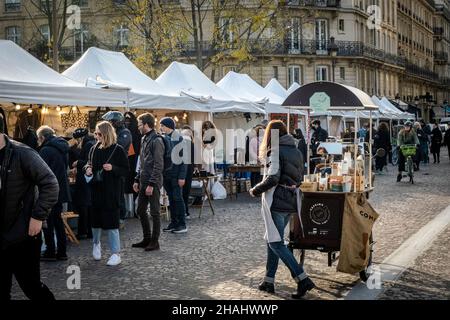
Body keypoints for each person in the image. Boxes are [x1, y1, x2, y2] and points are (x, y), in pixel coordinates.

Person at [249, 120, 316, 299]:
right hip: (290, 201)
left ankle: (302, 279)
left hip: (276, 202)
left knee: (275, 242)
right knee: (272, 239)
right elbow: (300, 177)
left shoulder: (275, 151)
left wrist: (255, 190)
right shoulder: (295, 150)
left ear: (271, 135)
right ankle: (268, 281)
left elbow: (272, 178)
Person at [0, 114, 58, 300]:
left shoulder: (22, 153)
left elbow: (50, 183)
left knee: (31, 287)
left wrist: (38, 217)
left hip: (22, 233)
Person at [84, 121, 129, 266]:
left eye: (99, 134)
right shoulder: (93, 148)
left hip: (111, 192)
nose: (96, 136)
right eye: (95, 134)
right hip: (96, 191)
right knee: (95, 223)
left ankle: (116, 254)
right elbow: (88, 163)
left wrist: (113, 168)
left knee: (112, 224)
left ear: (106, 133)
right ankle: (96, 245)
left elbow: (126, 170)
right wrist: (87, 169)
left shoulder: (118, 149)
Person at [36, 126, 71, 261]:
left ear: (43, 137)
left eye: (39, 138)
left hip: (49, 190)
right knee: (58, 221)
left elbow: (41, 172)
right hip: (61, 189)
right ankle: (62, 252)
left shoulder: (45, 150)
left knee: (48, 222)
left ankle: (50, 251)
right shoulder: (62, 148)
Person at [132, 113, 165, 251]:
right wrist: (136, 179)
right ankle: (147, 238)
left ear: (146, 124)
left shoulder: (157, 140)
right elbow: (142, 162)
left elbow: (159, 165)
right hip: (144, 180)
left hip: (153, 181)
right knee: (140, 210)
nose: (138, 127)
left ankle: (154, 241)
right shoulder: (144, 138)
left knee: (155, 212)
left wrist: (151, 184)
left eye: (139, 124)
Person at [102, 111, 132, 228]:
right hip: (110, 167)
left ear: (116, 122)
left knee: (119, 194)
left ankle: (121, 218)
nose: (109, 123)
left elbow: (118, 146)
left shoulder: (125, 132)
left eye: (110, 122)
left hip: (119, 167)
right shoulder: (116, 132)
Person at [160, 117, 188, 234]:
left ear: (168, 126)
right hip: (167, 175)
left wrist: (182, 176)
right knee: (172, 199)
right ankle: (174, 222)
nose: (160, 127)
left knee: (177, 199)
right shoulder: (165, 138)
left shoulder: (179, 139)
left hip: (176, 175)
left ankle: (182, 224)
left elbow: (184, 159)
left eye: (162, 125)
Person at [71, 128, 95, 239]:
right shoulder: (89, 143)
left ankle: (84, 231)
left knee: (84, 205)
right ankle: (87, 231)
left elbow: (89, 161)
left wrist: (78, 163)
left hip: (85, 179)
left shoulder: (88, 144)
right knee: (86, 205)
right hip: (85, 178)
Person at [181, 125, 195, 220]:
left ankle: (185, 211)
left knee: (185, 192)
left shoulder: (191, 144)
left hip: (187, 170)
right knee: (184, 192)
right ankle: (184, 211)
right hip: (185, 170)